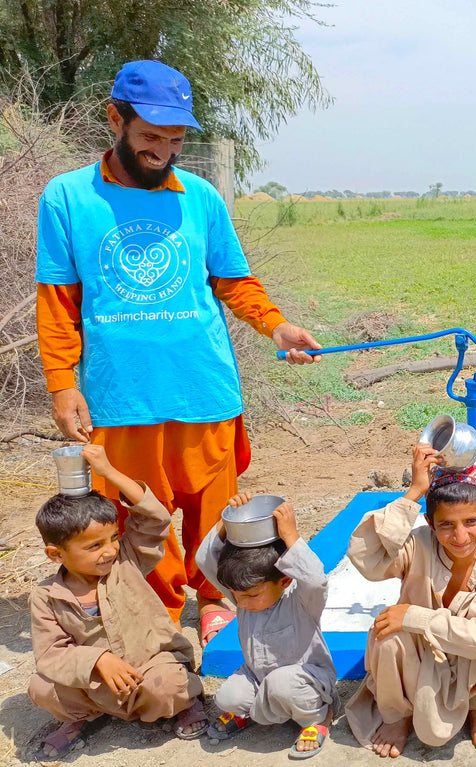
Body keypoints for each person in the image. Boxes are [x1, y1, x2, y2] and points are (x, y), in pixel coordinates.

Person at [34, 59, 322, 638]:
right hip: (121, 392)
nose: (162, 151)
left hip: (203, 384)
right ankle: (156, 610)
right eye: (148, 137)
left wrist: (276, 327)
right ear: (114, 118)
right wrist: (62, 383)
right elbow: (58, 300)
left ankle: (216, 596)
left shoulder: (201, 197)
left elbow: (233, 281)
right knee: (142, 512)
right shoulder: (68, 198)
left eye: (173, 139)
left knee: (211, 505)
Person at [344, 444, 476, 757]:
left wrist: (415, 617)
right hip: (421, 657)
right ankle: (398, 715)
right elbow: (365, 557)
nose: (460, 536)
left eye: (471, 522)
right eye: (446, 524)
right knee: (386, 633)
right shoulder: (418, 544)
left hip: (472, 658)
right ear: (430, 524)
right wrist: (414, 491)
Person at [28, 445, 207, 759]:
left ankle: (182, 705)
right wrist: (96, 661)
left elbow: (155, 518)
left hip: (149, 668)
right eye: (94, 545)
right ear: (57, 554)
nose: (109, 550)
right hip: (99, 683)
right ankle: (84, 718)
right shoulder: (46, 596)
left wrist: (108, 472)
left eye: (112, 537)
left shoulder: (128, 559)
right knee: (41, 688)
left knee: (168, 685)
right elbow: (50, 654)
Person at [196, 494, 338, 758]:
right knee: (227, 698)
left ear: (283, 581)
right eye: (235, 596)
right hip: (259, 679)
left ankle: (319, 716)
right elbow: (205, 560)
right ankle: (257, 712)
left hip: (306, 681)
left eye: (250, 596)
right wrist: (227, 521)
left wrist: (291, 536)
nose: (241, 603)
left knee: (282, 683)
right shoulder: (244, 594)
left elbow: (316, 579)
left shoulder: (300, 600)